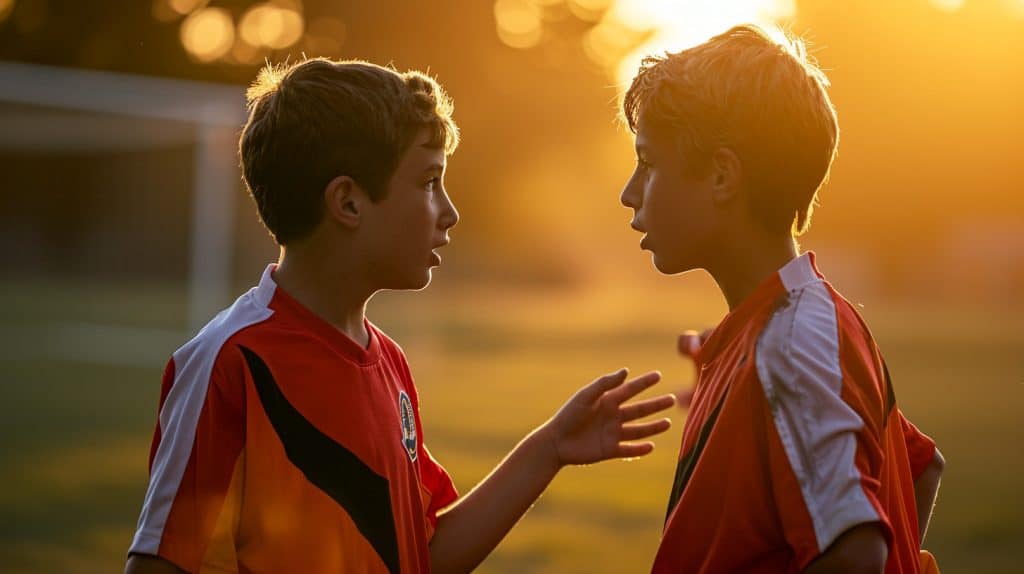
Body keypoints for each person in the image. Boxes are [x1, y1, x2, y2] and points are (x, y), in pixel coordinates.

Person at [125, 57, 676, 574]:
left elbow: (422, 552)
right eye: (429, 182)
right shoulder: (229, 362)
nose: (450, 212)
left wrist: (548, 449)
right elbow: (160, 563)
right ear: (348, 203)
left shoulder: (386, 360)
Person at [618, 24, 945, 574]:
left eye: (648, 163)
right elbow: (919, 468)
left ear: (722, 175)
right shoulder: (786, 327)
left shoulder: (792, 344)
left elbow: (855, 550)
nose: (629, 191)